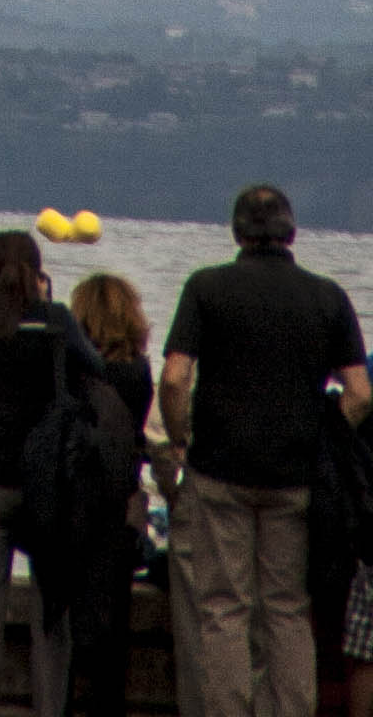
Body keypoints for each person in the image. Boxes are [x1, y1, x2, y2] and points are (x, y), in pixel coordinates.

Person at [160, 183, 370, 717]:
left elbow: (176, 377)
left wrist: (181, 437)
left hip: (218, 472)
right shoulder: (327, 297)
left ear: (237, 233)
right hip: (296, 477)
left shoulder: (206, 288)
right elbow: (361, 392)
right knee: (287, 608)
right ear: (290, 232)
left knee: (223, 609)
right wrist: (324, 438)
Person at [0, 229, 105, 717]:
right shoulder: (54, 321)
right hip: (44, 484)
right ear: (38, 273)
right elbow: (93, 366)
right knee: (48, 612)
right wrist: (50, 303)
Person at [64, 273, 154, 717]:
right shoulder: (138, 372)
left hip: (75, 498)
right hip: (121, 500)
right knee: (114, 612)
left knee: (67, 607)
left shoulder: (72, 371)